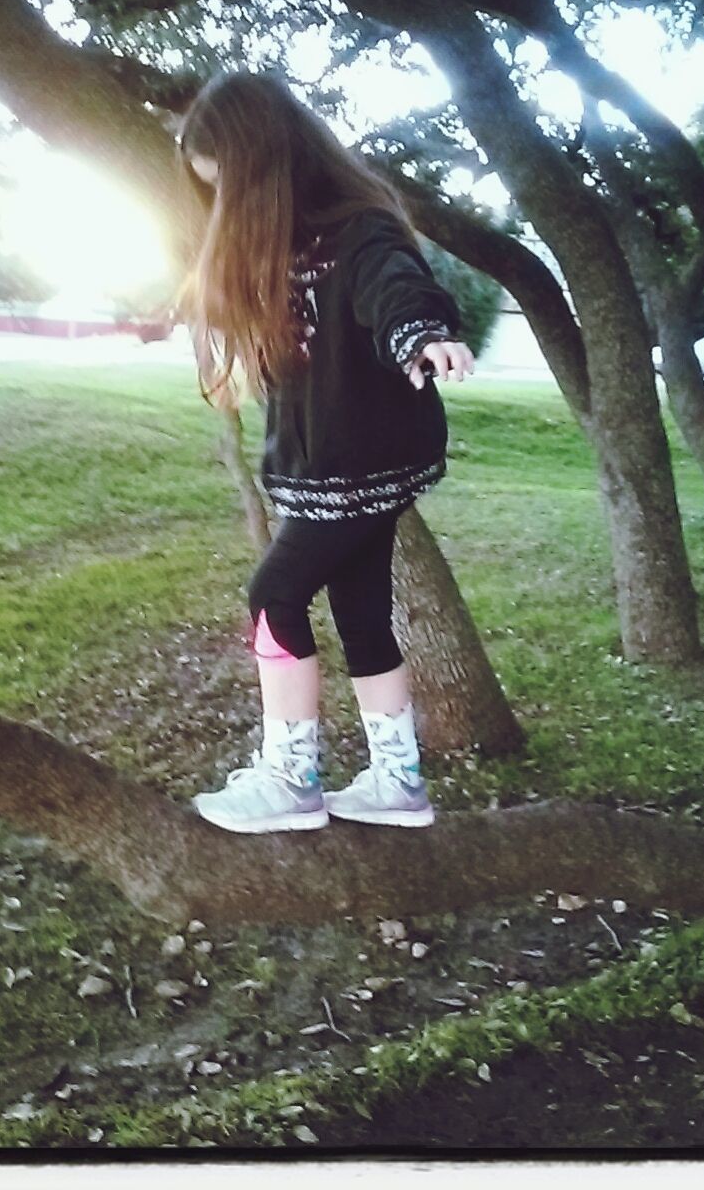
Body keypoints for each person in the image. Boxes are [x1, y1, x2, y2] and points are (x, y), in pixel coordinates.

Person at [173, 69, 475, 836]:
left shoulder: (356, 228)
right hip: (335, 467)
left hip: (355, 463)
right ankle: (398, 783)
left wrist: (422, 336)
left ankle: (290, 780)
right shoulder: (284, 240)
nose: (222, 208)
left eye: (226, 186)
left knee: (272, 596)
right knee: (362, 611)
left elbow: (396, 289)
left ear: (262, 166)